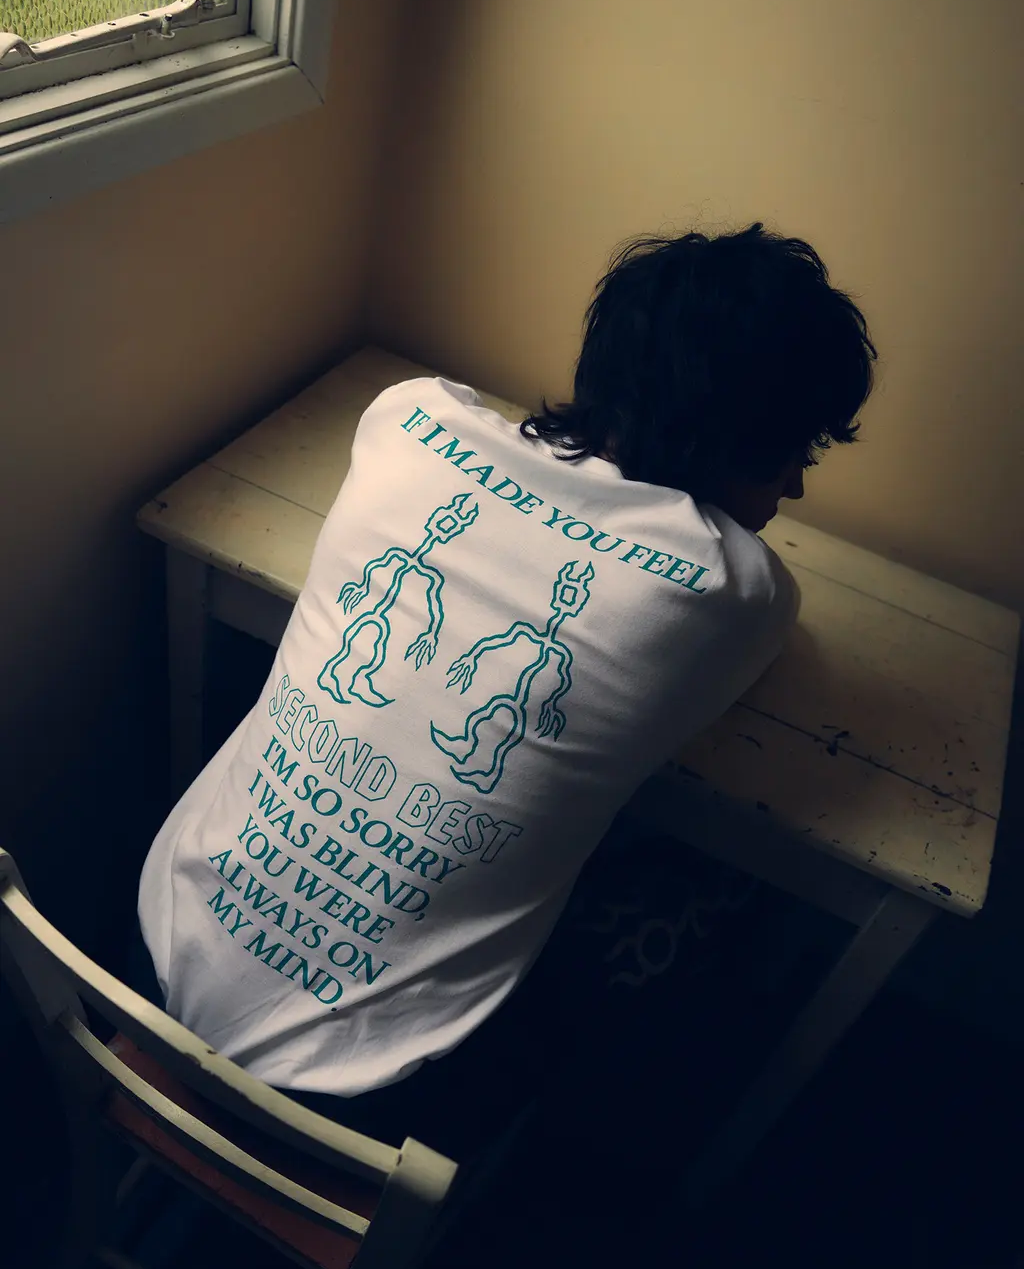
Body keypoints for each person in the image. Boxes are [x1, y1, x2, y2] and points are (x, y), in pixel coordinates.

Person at [131, 220, 876, 1160]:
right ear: (734, 444)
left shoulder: (409, 420)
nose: (797, 488)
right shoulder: (739, 592)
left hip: (151, 947)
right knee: (704, 899)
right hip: (368, 1093)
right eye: (795, 451)